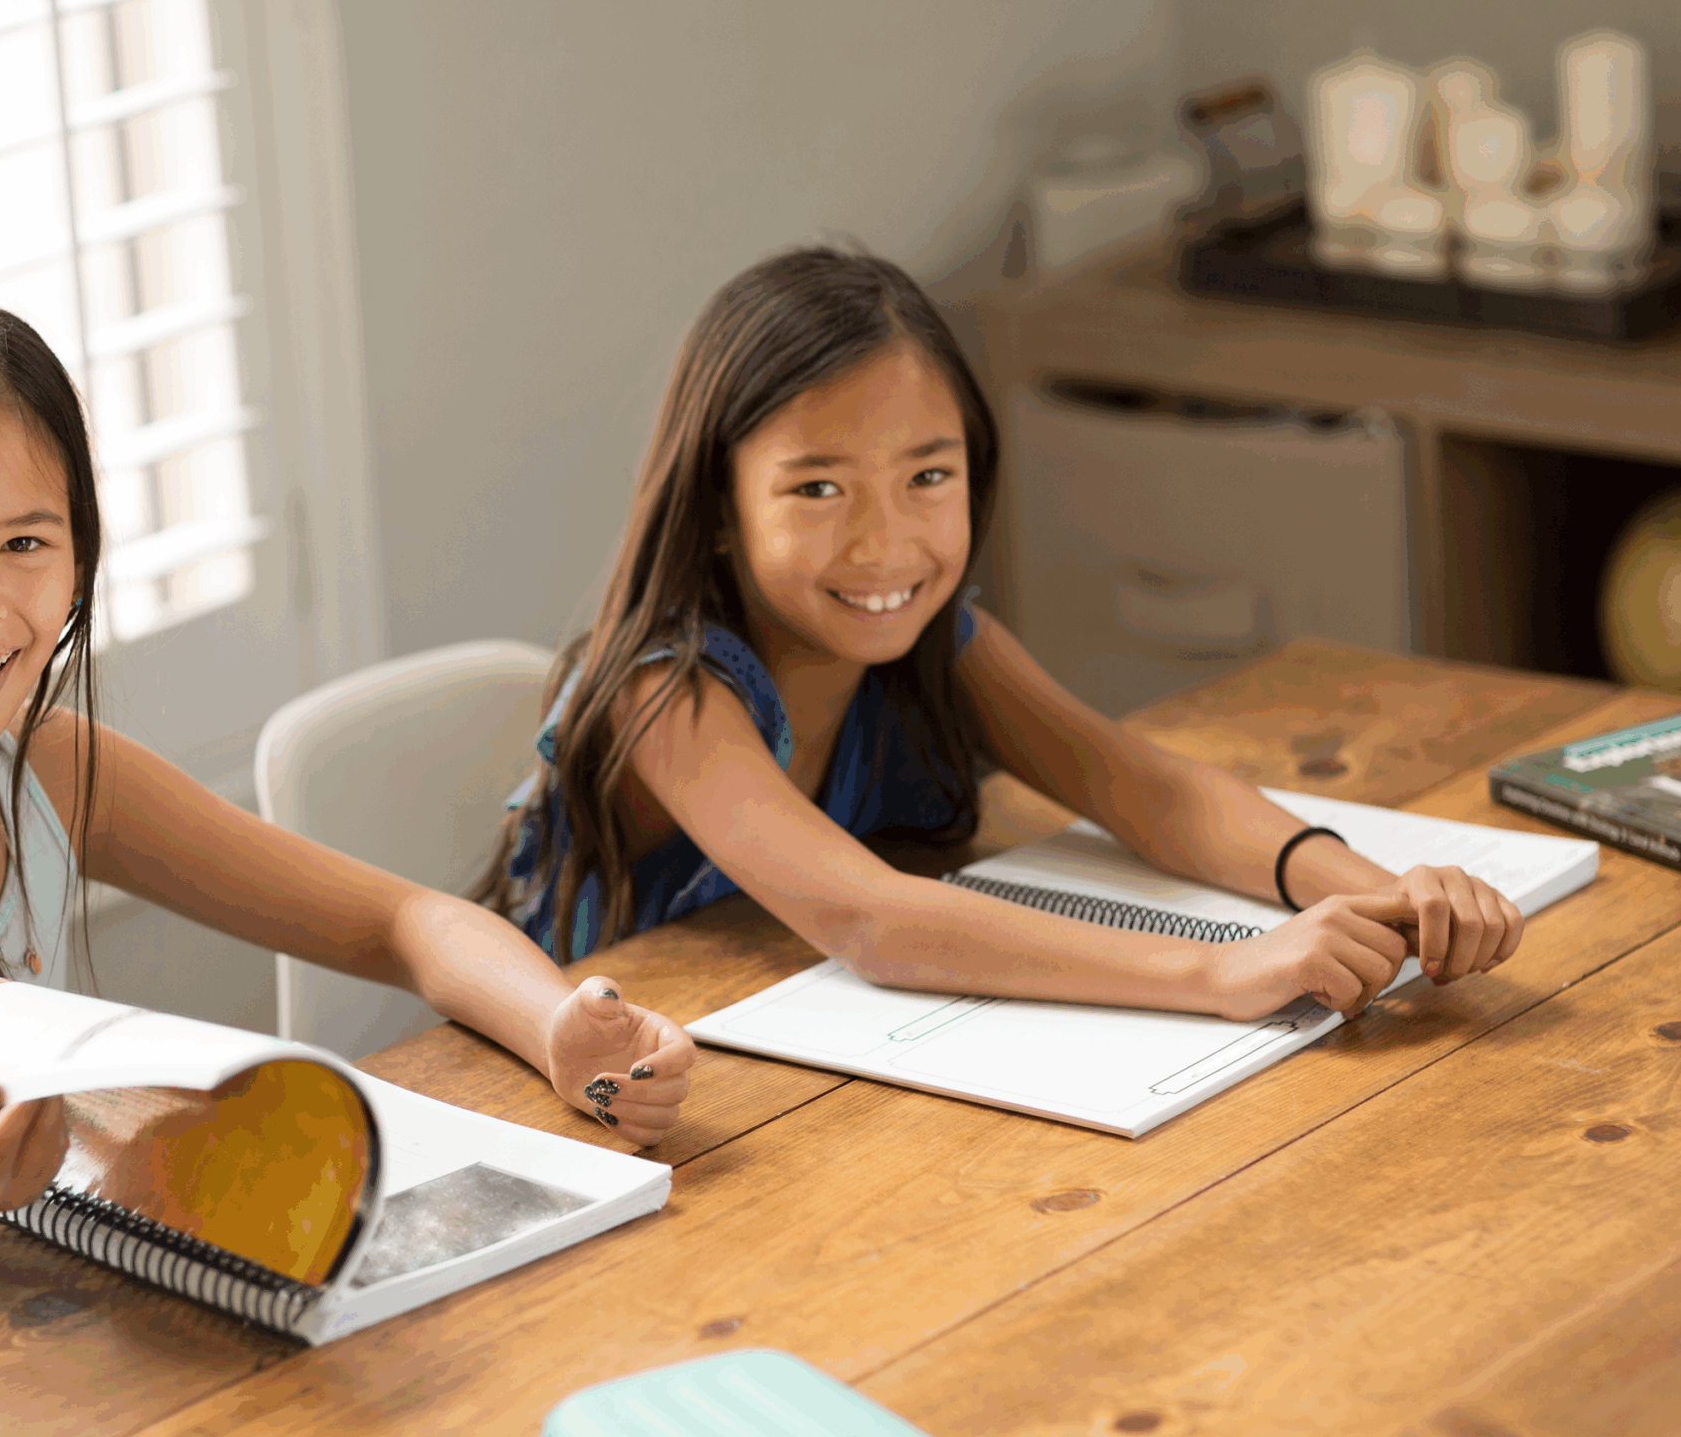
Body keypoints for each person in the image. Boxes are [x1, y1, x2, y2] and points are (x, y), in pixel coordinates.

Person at [0, 305, 694, 1344]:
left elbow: (397, 922)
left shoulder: (48, 767)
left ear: (78, 565)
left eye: (24, 543)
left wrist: (556, 1029)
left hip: (33, 1343)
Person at [475, 245, 1523, 1025]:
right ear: (715, 508)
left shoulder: (947, 645)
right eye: (817, 487)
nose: (884, 543)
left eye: (928, 476)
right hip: (597, 1103)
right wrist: (1224, 969)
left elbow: (1147, 791)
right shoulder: (666, 697)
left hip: (803, 1043)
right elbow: (871, 921)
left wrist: (1378, 895)